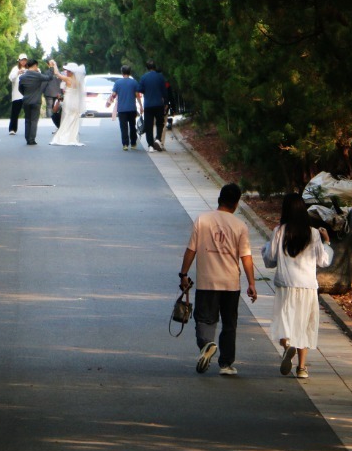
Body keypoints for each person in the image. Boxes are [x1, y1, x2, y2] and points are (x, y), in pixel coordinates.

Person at [178, 183, 258, 376]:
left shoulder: (202, 220)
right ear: (236, 204)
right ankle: (226, 364)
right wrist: (251, 283)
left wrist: (184, 274)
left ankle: (206, 344)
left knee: (204, 319)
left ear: (219, 199)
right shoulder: (240, 226)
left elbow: (191, 249)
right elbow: (246, 257)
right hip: (231, 283)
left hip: (207, 281)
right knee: (229, 323)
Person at [262, 192, 334, 379]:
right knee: (304, 325)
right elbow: (323, 261)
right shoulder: (314, 233)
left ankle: (287, 346)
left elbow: (270, 259)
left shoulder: (279, 231)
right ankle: (302, 368)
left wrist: (266, 247)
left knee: (284, 321)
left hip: (286, 284)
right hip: (307, 286)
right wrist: (327, 242)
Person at [17, 59, 56, 145]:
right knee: (34, 120)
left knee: (27, 120)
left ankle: (27, 138)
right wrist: (51, 67)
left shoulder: (22, 77)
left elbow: (20, 89)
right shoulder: (38, 75)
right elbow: (49, 77)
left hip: (26, 100)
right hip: (36, 101)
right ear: (35, 65)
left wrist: (25, 94)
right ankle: (32, 139)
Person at [105, 65, 142, 151]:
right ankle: (133, 143)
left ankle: (125, 144)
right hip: (132, 108)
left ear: (122, 73)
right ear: (130, 72)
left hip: (122, 109)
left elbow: (114, 94)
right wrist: (141, 106)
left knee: (123, 127)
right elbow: (137, 95)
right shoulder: (134, 82)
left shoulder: (118, 83)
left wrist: (110, 100)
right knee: (132, 126)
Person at [50, 63, 87, 146]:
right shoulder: (79, 81)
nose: (66, 72)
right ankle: (71, 136)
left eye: (68, 71)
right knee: (74, 118)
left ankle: (64, 135)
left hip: (69, 100)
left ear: (71, 72)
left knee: (66, 117)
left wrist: (55, 64)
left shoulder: (68, 79)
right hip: (76, 101)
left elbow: (57, 73)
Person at [139, 60, 169, 152]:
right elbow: (164, 91)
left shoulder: (144, 77)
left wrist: (147, 91)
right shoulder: (160, 77)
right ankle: (158, 139)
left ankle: (150, 145)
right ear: (155, 67)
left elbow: (140, 89)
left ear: (147, 68)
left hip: (148, 104)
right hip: (158, 104)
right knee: (160, 122)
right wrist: (166, 103)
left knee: (149, 125)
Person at [7, 53, 28, 135]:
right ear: (19, 61)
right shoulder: (15, 69)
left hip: (27, 94)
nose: (23, 62)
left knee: (28, 113)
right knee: (15, 113)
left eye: (25, 60)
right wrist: (18, 72)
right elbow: (11, 78)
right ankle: (12, 129)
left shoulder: (28, 69)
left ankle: (28, 129)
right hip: (17, 94)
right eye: (22, 60)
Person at [44, 65, 64, 131]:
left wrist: (43, 91)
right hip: (58, 92)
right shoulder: (59, 73)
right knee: (57, 107)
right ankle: (55, 118)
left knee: (49, 106)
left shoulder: (46, 73)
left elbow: (44, 83)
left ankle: (49, 119)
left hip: (49, 92)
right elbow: (61, 83)